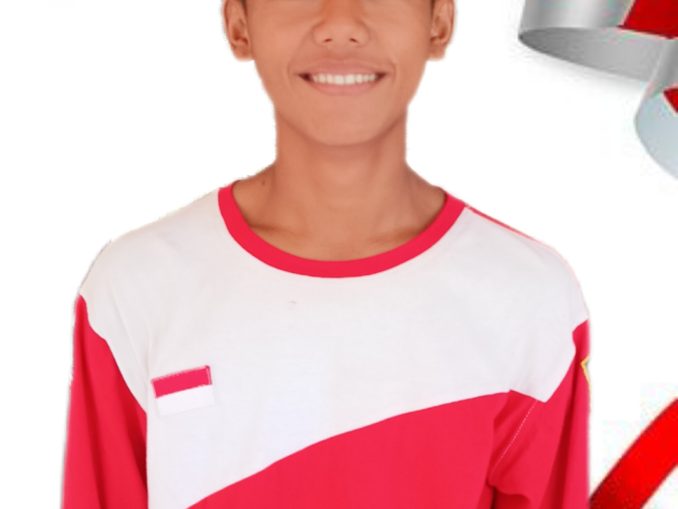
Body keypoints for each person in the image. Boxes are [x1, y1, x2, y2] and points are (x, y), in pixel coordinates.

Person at [61, 0, 591, 507]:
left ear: (439, 21)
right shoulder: (135, 287)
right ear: (239, 24)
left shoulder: (530, 297)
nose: (341, 25)